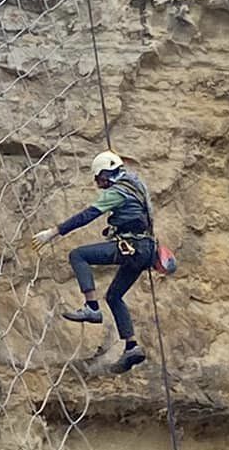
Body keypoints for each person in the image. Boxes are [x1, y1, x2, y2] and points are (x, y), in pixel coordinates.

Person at [36, 151, 156, 373]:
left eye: (99, 178)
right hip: (146, 250)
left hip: (131, 248)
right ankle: (131, 346)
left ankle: (92, 307)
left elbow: (87, 215)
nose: (99, 184)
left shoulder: (117, 192)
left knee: (78, 255)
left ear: (107, 173)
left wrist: (54, 232)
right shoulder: (137, 184)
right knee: (114, 296)